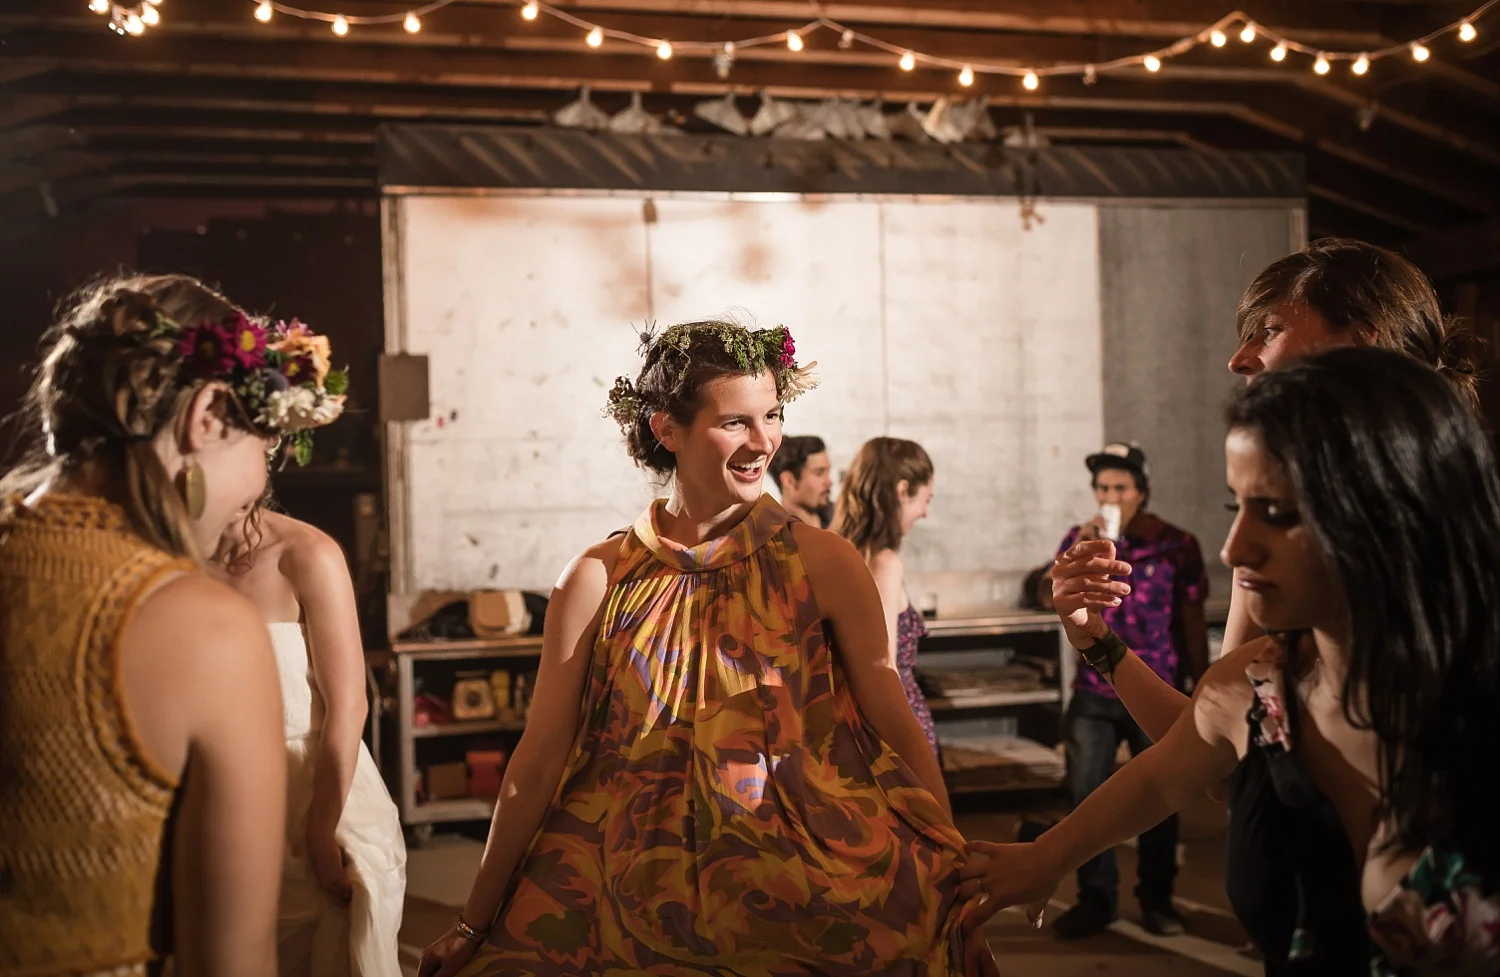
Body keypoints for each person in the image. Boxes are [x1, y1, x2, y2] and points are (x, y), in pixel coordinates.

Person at [418, 321, 994, 977]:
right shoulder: (598, 577)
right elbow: (539, 756)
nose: (764, 441)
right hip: (621, 912)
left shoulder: (824, 562)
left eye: (772, 415)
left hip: (799, 901)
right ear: (666, 429)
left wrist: (960, 885)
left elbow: (895, 725)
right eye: (735, 421)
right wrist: (473, 921)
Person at [961, 347, 1500, 976]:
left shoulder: (1476, 695)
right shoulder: (1265, 683)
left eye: (1276, 512)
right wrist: (1043, 857)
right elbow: (1163, 774)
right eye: (1235, 506)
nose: (1235, 548)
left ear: (1388, 508)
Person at [0, 274, 322, 976]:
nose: (254, 493)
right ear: (208, 414)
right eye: (262, 445)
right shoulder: (202, 628)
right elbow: (232, 964)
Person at [1062, 238, 1481, 750]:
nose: (1237, 361)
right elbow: (1215, 748)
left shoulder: (1458, 543)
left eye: (1270, 330)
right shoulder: (1259, 542)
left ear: (1360, 342)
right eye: (1244, 505)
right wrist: (1098, 641)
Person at [214, 503, 407, 976]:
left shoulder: (308, 553)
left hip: (308, 790)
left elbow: (349, 704)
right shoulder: (166, 552)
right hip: (215, 793)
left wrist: (322, 828)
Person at [1042, 442, 1208, 940]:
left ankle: (1157, 899)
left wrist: (1201, 681)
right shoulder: (1081, 539)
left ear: (1142, 491)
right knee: (1086, 795)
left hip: (1155, 687)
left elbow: (1191, 617)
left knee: (1161, 795)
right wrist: (1078, 552)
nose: (1110, 497)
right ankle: (1096, 899)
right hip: (1094, 687)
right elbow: (1047, 594)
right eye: (1102, 488)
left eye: (1120, 487)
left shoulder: (1175, 544)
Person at [832, 436, 941, 757]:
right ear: (902, 490)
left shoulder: (838, 555)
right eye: (926, 499)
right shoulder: (884, 563)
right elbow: (883, 669)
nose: (925, 513)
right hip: (894, 732)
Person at [769, 433, 834, 527]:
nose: (829, 482)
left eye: (828, 472)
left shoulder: (844, 522)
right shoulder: (769, 532)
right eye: (819, 473)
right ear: (789, 481)